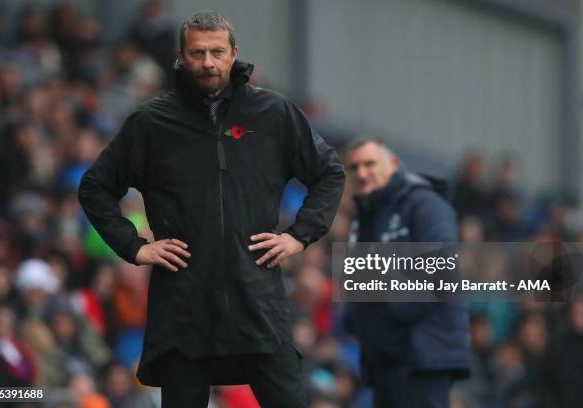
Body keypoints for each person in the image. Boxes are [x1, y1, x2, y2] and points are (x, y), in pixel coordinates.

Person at [78, 11, 345, 407]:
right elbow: (95, 187)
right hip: (182, 303)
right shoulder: (153, 122)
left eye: (217, 52)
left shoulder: (273, 113)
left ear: (234, 53)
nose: (208, 62)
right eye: (198, 53)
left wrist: (298, 235)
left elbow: (329, 173)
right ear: (182, 56)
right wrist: (134, 247)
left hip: (256, 297)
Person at [343, 138, 470, 408]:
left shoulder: (424, 204)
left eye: (369, 164)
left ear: (393, 164)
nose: (361, 173)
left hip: (421, 356)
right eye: (354, 167)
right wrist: (356, 318)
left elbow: (441, 269)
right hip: (385, 360)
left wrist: (394, 311)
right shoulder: (366, 217)